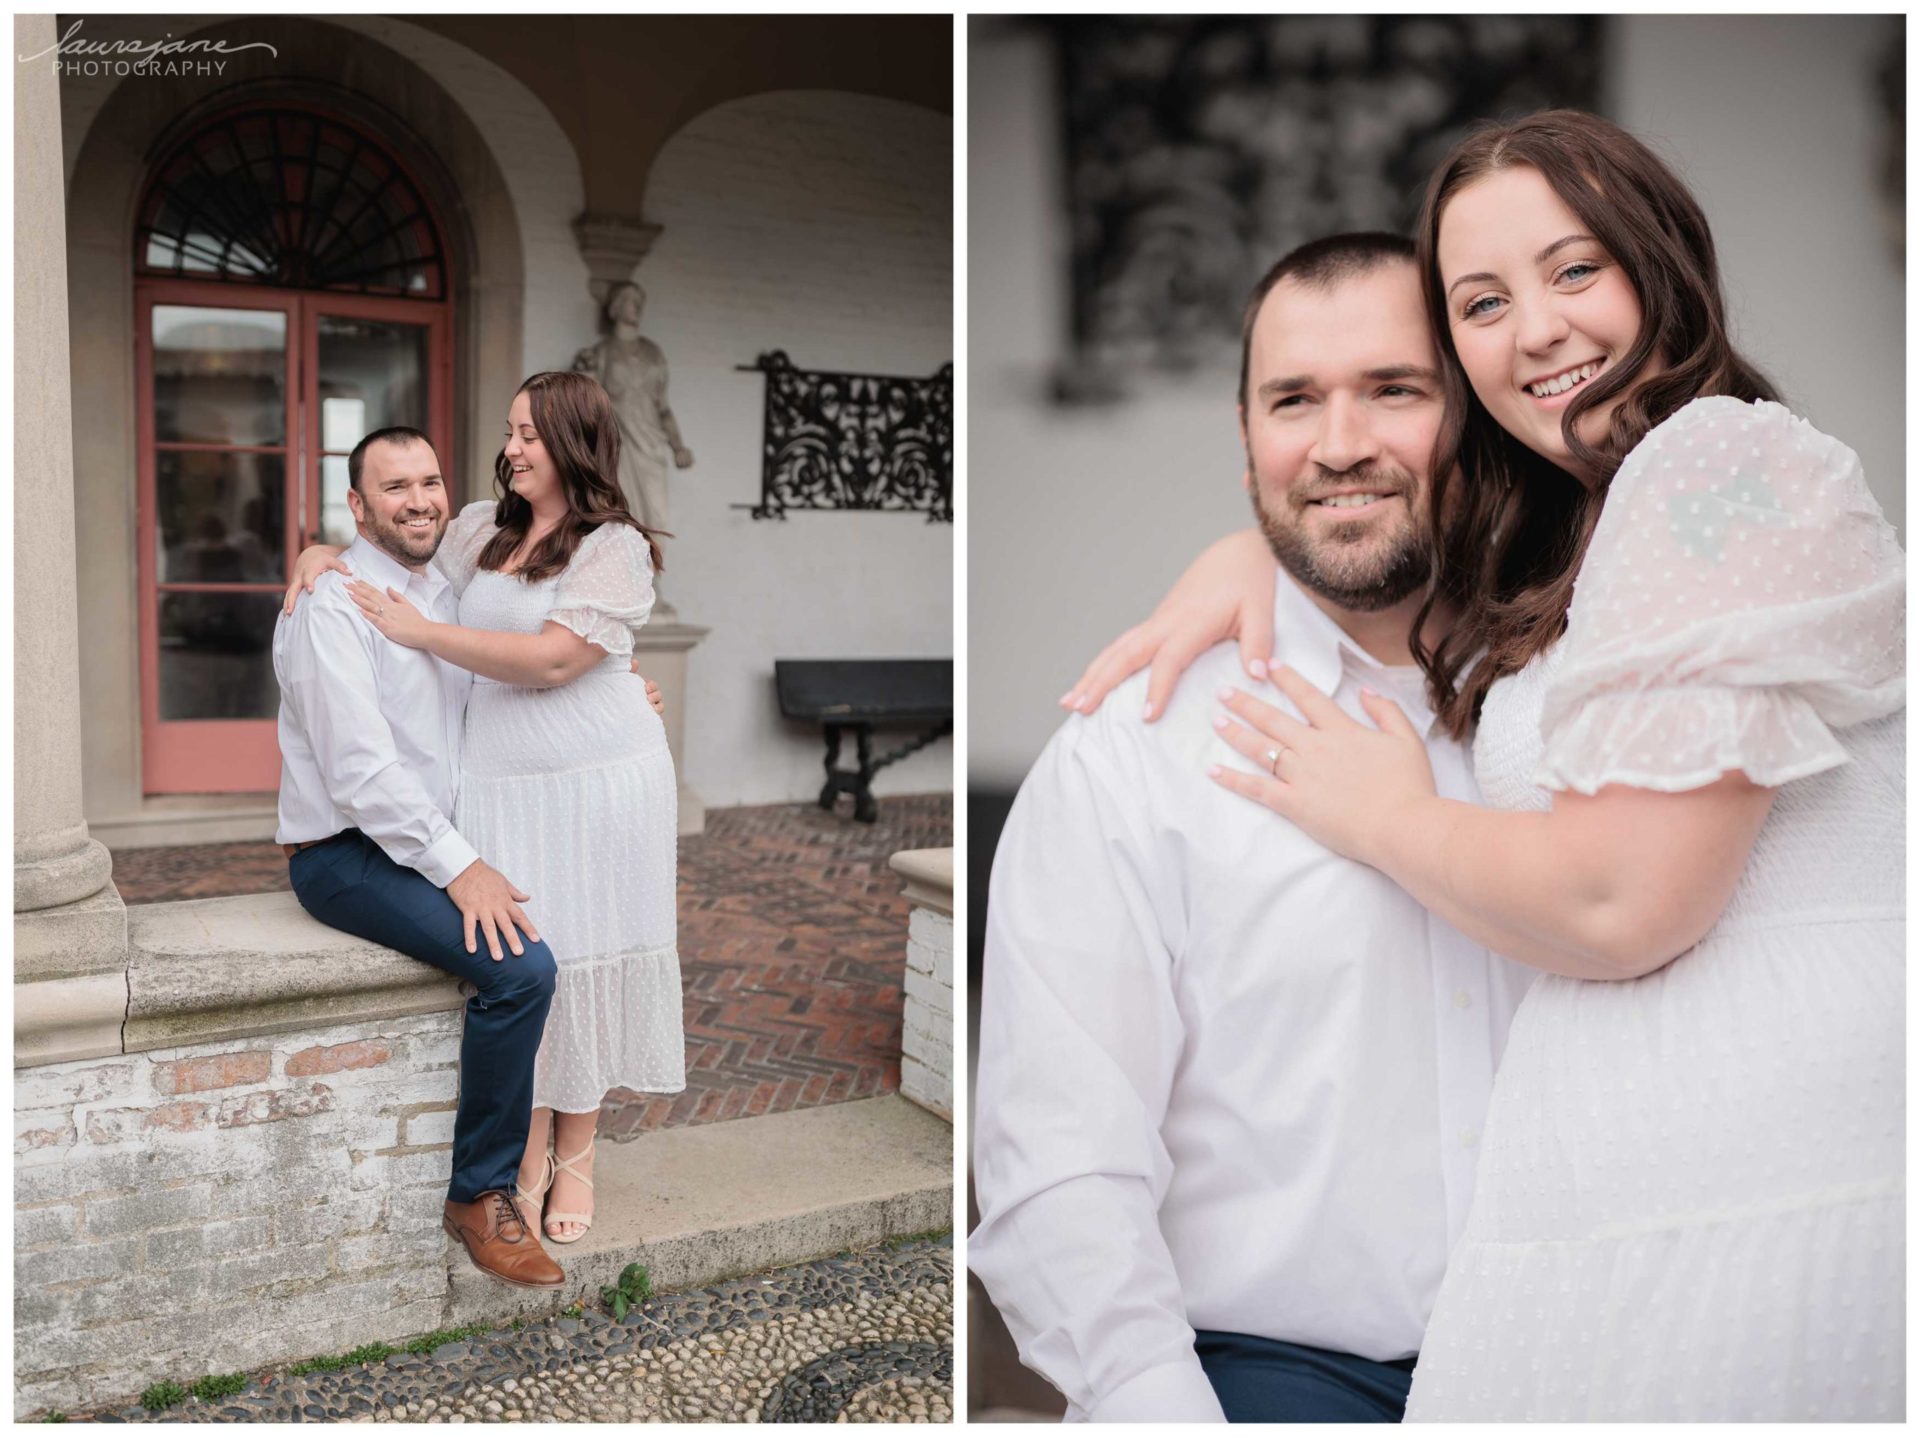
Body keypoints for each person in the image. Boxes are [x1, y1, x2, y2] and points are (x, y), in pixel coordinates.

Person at [1064, 110, 1904, 1421]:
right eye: (1483, 302)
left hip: (1760, 1186)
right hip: (1607, 1239)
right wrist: (1250, 560)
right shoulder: (1579, 557)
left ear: (1664, 260)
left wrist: (1384, 813)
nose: (1538, 331)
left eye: (1577, 269)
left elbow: (1625, 900)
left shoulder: (1714, 463)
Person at [970, 233, 1541, 1423]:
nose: (1340, 445)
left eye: (1395, 390)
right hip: (1267, 1377)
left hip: (1595, 1358)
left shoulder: (1577, 710)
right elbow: (1061, 1166)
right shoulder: (1132, 752)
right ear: (1246, 444)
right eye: (1295, 400)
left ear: (1476, 418)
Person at [285, 372, 687, 1248]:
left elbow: (548, 660)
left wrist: (620, 685)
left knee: (586, 950)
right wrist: (318, 555)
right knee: (542, 953)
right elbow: (394, 541)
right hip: (498, 790)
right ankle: (520, 1153)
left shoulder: (610, 543)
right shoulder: (479, 527)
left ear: (573, 442)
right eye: (508, 431)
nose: (510, 449)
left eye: (529, 435)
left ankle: (572, 1152)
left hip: (600, 778)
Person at [273, 427, 564, 1290]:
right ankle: (479, 1193)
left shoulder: (448, 588)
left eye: (431, 480)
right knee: (523, 968)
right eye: (394, 487)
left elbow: (519, 670)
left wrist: (622, 693)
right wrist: (458, 865)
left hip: (425, 835)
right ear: (358, 506)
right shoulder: (331, 603)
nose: (421, 500)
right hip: (344, 852)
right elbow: (360, 773)